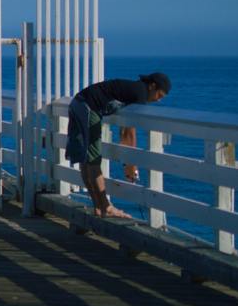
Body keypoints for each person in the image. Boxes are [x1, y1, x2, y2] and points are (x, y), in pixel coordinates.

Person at [67, 72, 171, 218]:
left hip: (78, 103)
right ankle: (106, 207)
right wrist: (130, 164)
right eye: (159, 95)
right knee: (93, 160)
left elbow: (124, 131)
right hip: (88, 107)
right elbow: (129, 132)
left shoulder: (135, 88)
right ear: (152, 86)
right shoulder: (140, 94)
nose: (158, 100)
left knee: (86, 160)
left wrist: (128, 162)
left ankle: (98, 206)